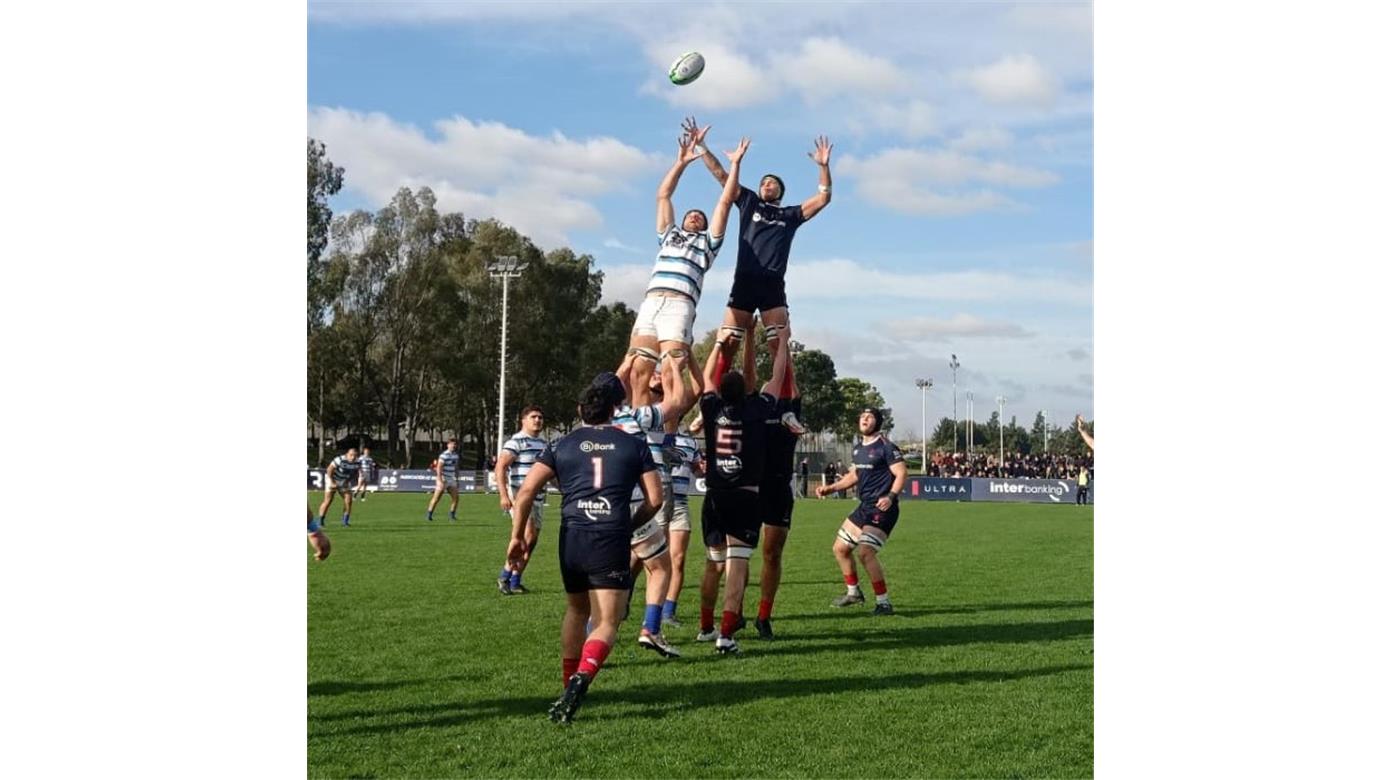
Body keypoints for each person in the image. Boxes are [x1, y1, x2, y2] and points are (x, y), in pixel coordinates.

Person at [506, 374, 664, 724]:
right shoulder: (633, 444)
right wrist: (629, 526)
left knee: (576, 611)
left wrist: (517, 536)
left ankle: (567, 685)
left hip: (573, 536)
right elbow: (656, 498)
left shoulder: (561, 444)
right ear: (614, 410)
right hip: (610, 536)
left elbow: (526, 491)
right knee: (607, 621)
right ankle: (582, 678)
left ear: (580, 410)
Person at [682, 116, 832, 374]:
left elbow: (823, 198)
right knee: (727, 342)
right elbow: (721, 176)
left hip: (772, 283)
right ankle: (715, 395)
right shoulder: (749, 201)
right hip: (744, 280)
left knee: (778, 344)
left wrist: (823, 167)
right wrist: (702, 146)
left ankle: (784, 397)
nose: (766, 184)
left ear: (780, 191)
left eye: (771, 182)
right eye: (763, 182)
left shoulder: (789, 215)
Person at [623, 130, 747, 398]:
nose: (694, 216)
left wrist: (735, 164)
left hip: (680, 303)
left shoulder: (707, 244)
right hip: (652, 301)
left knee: (671, 373)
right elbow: (663, 196)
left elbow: (725, 202)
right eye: (690, 214)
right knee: (638, 373)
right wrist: (680, 163)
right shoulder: (669, 235)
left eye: (699, 216)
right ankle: (640, 422)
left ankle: (668, 424)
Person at [695, 324, 791, 654]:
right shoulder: (757, 409)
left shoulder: (711, 408)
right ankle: (725, 635)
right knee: (736, 567)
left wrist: (719, 346)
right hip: (745, 496)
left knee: (713, 564)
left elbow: (705, 379)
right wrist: (782, 344)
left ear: (721, 391)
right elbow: (777, 377)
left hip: (714, 495)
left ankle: (705, 627)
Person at [612, 350, 698, 658]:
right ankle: (648, 626)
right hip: (650, 491)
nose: (657, 374)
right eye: (653, 372)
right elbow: (676, 396)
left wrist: (630, 361)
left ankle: (611, 616)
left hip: (629, 493)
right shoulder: (642, 414)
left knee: (641, 558)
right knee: (657, 563)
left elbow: (688, 393)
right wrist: (673, 362)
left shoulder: (623, 416)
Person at [815, 408, 908, 616]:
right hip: (864, 506)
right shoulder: (858, 449)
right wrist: (830, 488)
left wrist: (890, 496)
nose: (865, 419)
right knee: (840, 548)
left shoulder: (886, 447)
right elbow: (854, 476)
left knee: (865, 552)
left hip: (882, 508)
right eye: (862, 416)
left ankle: (884, 603)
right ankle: (853, 593)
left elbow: (902, 473)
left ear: (878, 422)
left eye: (870, 416)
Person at [755, 332, 803, 640]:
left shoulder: (790, 409)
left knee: (772, 553)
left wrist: (782, 345)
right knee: (736, 555)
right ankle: (730, 613)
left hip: (777, 490)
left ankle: (763, 616)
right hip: (749, 488)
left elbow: (789, 379)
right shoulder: (754, 409)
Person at [495, 406, 549, 595]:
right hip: (521, 497)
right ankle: (504, 576)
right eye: (533, 417)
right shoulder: (516, 441)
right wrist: (503, 495)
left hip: (539, 498)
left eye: (540, 417)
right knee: (527, 536)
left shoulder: (544, 444)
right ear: (523, 420)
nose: (538, 420)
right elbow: (500, 467)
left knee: (531, 541)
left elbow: (548, 472)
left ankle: (515, 580)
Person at [660, 417, 702, 629]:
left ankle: (668, 612)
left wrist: (703, 468)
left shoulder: (690, 442)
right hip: (657, 504)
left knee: (678, 559)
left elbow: (698, 470)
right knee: (646, 559)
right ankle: (625, 600)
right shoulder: (653, 437)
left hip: (680, 504)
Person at [316, 446, 359, 528]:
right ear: (347, 454)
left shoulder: (357, 462)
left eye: (355, 455)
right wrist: (332, 482)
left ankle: (345, 522)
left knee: (348, 500)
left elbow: (354, 473)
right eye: (351, 455)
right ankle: (320, 521)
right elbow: (329, 470)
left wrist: (347, 481)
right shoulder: (339, 459)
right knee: (328, 500)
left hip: (343, 481)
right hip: (332, 479)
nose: (353, 457)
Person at [427, 438, 461, 522]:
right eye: (452, 444)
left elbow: (456, 468)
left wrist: (457, 479)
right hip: (443, 478)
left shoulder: (456, 456)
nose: (453, 446)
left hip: (451, 479)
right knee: (436, 498)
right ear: (448, 445)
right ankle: (429, 515)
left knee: (456, 498)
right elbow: (439, 468)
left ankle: (452, 516)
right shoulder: (444, 455)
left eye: (455, 444)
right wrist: (440, 480)